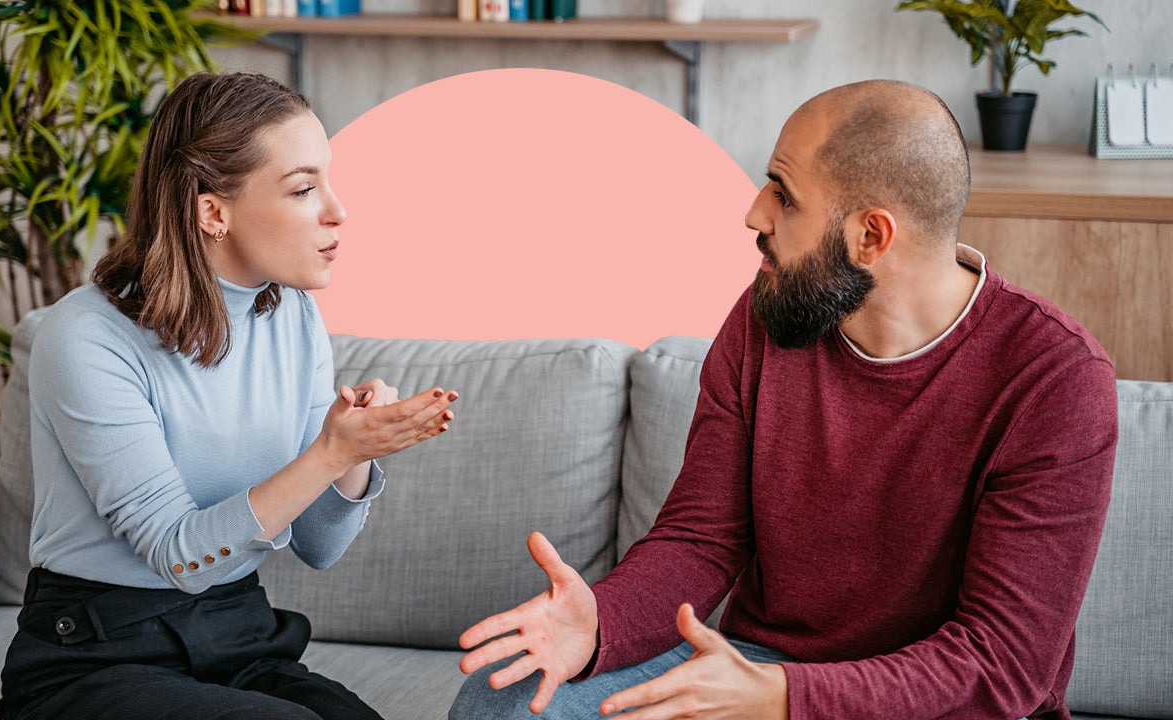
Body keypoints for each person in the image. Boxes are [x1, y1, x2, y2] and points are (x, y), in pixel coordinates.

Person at [450, 79, 1118, 719]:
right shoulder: (771, 314)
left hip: (938, 701)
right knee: (503, 699)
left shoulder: (1055, 378)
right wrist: (599, 622)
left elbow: (1002, 663)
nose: (754, 213)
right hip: (764, 666)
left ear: (871, 237)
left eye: (785, 195)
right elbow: (700, 539)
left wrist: (786, 703)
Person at [0, 71, 458, 720]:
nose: (337, 209)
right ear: (213, 211)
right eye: (303, 188)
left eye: (327, 179)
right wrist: (326, 454)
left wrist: (355, 451)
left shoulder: (290, 315)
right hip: (96, 654)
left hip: (236, 632)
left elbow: (318, 546)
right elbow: (181, 556)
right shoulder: (85, 338)